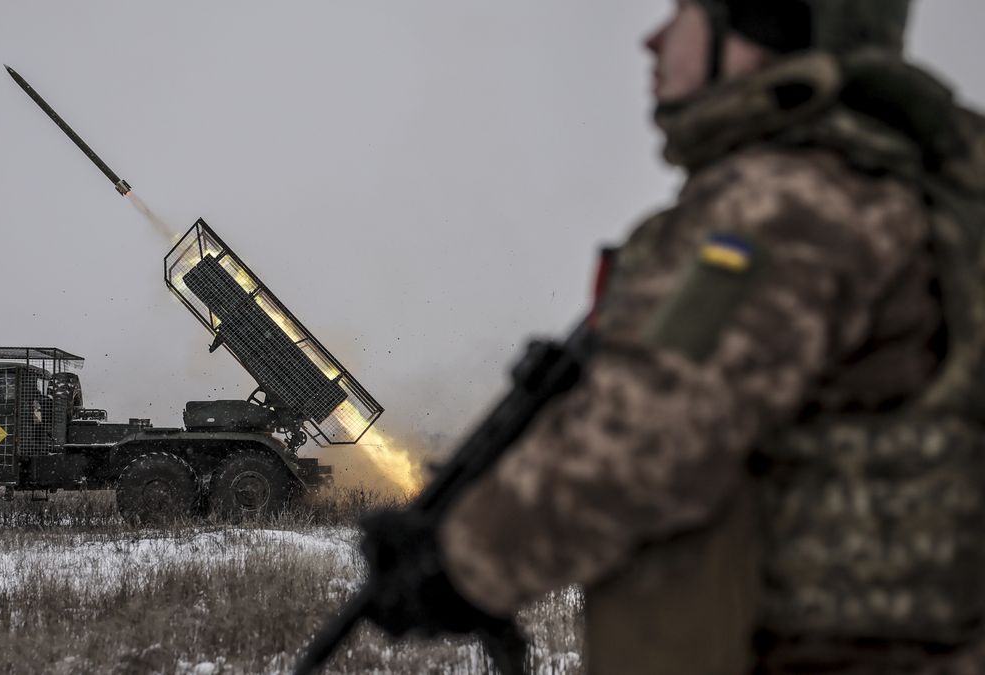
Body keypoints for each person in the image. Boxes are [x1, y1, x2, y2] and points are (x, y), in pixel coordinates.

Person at [358, 1, 985, 673]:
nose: (652, 41)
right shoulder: (908, 190)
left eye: (684, 12)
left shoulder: (785, 203)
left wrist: (461, 562)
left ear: (757, 33)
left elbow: (650, 432)